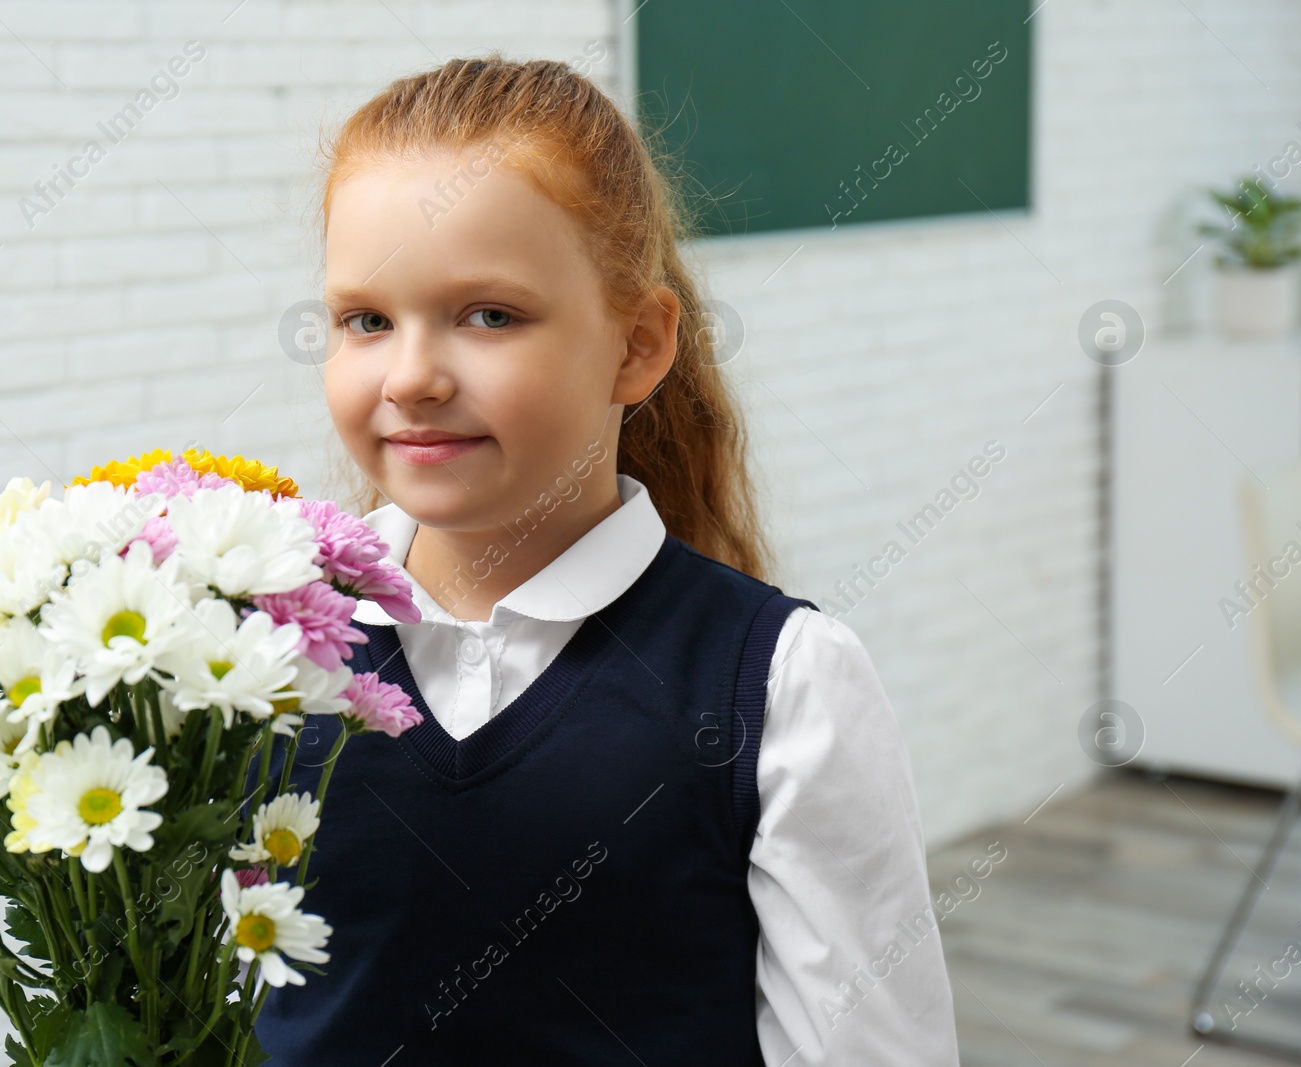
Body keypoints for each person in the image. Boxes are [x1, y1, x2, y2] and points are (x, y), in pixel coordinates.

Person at [256, 53, 960, 1066]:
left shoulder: (783, 682)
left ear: (636, 344)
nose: (409, 377)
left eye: (488, 315)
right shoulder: (256, 653)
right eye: (366, 319)